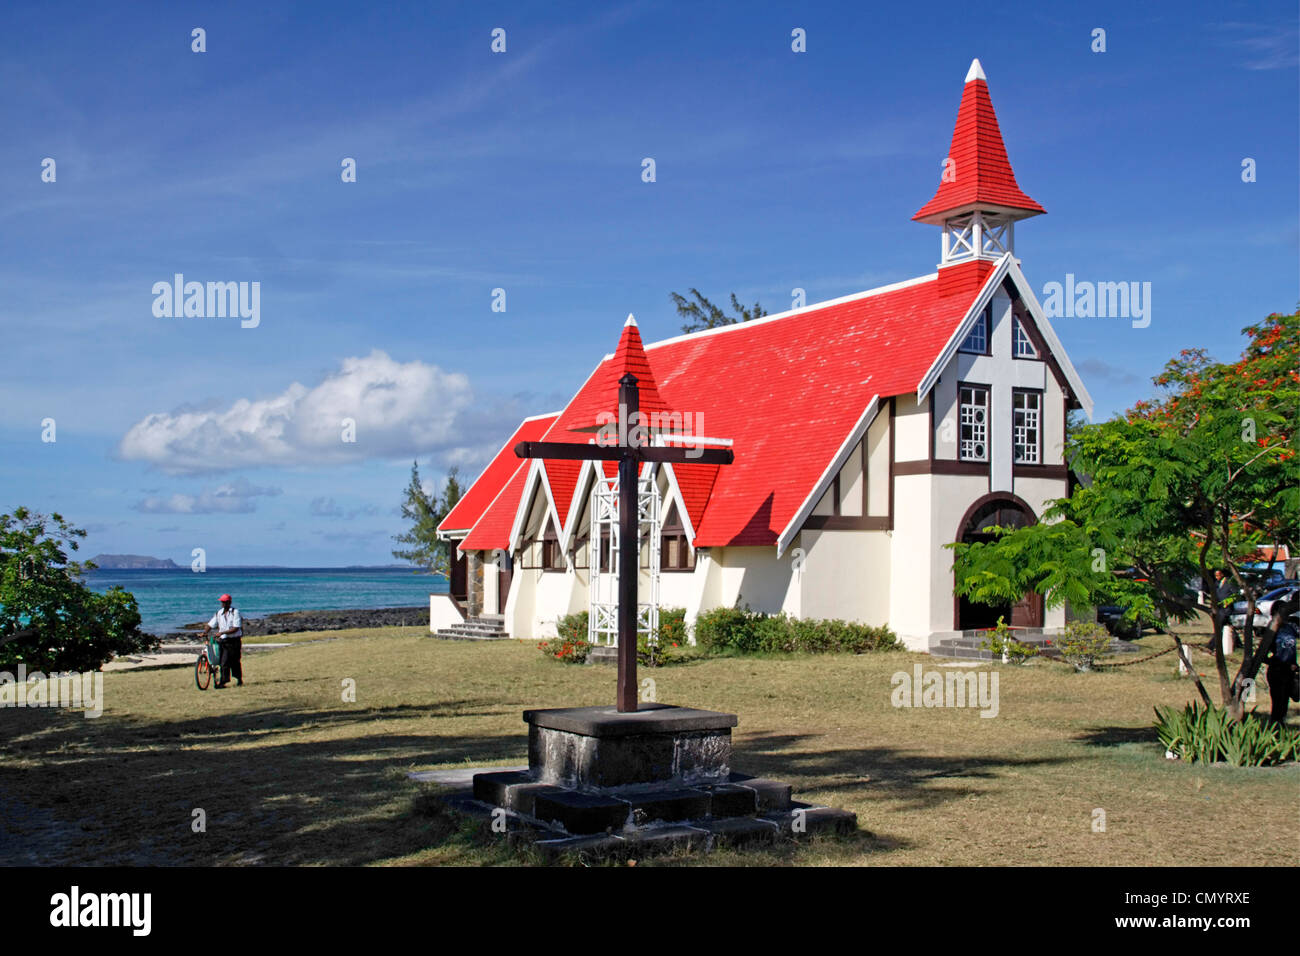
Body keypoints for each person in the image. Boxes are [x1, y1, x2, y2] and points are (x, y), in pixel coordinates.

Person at [1262, 593, 1298, 725]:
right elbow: (1263, 656)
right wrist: (1279, 664)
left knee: (1285, 704)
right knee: (1278, 703)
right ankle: (1274, 727)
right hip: (1277, 672)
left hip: (1290, 672)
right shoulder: (1271, 630)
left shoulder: (1290, 628)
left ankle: (1280, 727)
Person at [200, 593, 243, 688]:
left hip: (234, 640)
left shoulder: (235, 612)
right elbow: (211, 624)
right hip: (224, 641)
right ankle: (223, 681)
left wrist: (223, 632)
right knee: (224, 661)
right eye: (222, 602)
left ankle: (239, 678)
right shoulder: (219, 613)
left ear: (229, 602)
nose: (223, 604)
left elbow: (236, 628)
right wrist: (205, 632)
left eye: (224, 602)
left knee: (235, 661)